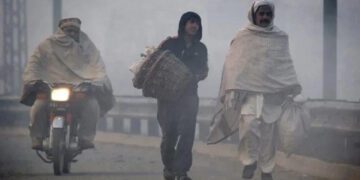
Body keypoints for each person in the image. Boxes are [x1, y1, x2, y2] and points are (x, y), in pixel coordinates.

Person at [207, 1, 301, 180]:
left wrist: (290, 86)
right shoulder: (243, 36)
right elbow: (233, 65)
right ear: (254, 15)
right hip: (249, 95)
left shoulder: (280, 37)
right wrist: (233, 89)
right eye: (261, 14)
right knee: (248, 127)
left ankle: (267, 170)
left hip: (273, 96)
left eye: (268, 14)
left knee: (268, 135)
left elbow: (285, 65)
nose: (265, 17)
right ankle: (249, 162)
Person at [20, 18, 114, 151]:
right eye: (68, 30)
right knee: (38, 107)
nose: (71, 34)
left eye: (74, 31)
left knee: (92, 105)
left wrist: (97, 80)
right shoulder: (46, 45)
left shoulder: (87, 46)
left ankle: (86, 138)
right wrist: (33, 79)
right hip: (51, 87)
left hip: (79, 88)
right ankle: (37, 138)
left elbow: (97, 65)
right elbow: (33, 64)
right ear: (61, 31)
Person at [157, 11, 208, 180]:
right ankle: (169, 168)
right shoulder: (169, 44)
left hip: (189, 96)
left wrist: (197, 76)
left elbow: (203, 70)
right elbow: (156, 63)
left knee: (187, 133)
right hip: (168, 98)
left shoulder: (201, 48)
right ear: (183, 25)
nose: (194, 25)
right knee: (169, 134)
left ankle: (181, 171)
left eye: (197, 23)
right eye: (191, 22)